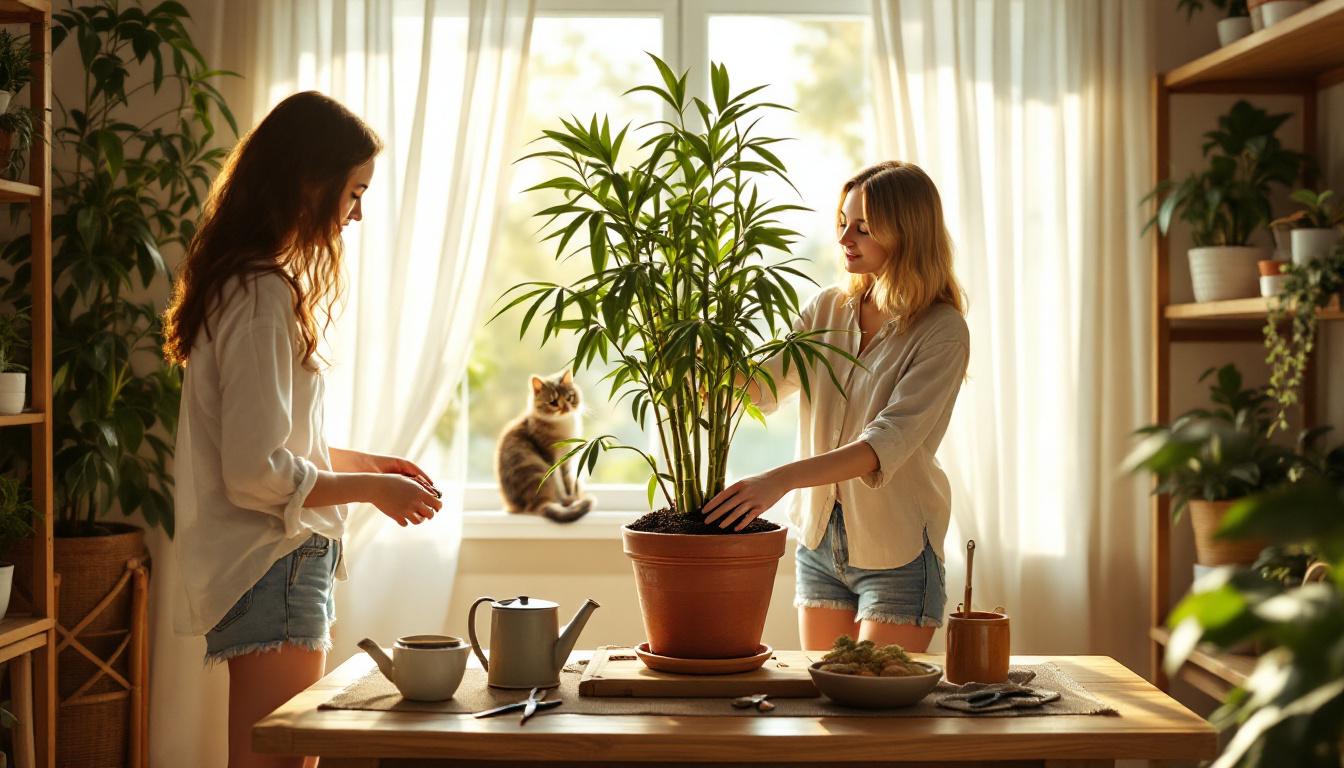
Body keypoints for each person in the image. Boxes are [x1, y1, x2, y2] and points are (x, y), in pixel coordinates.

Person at [163, 91, 444, 768]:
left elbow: (276, 447)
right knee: (281, 762)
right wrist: (367, 492)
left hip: (271, 566)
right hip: (278, 563)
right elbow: (255, 470)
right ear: (310, 182)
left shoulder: (241, 283)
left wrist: (369, 466)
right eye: (353, 193)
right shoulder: (261, 294)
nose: (357, 214)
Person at [702, 161, 969, 653]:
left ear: (907, 231)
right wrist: (699, 352)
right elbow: (763, 385)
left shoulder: (942, 330)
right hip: (820, 544)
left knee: (874, 716)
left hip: (899, 551)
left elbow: (882, 445)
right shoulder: (826, 308)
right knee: (824, 713)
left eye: (863, 228)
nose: (846, 237)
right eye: (842, 223)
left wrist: (779, 479)